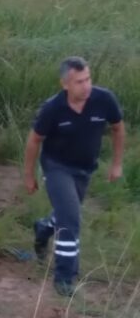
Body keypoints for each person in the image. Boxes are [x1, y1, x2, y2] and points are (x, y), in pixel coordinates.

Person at [23, 56, 125, 296]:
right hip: (57, 167)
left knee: (64, 215)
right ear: (65, 84)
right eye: (79, 81)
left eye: (88, 79)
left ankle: (44, 228)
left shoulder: (104, 99)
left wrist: (117, 164)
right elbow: (34, 140)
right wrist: (29, 175)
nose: (86, 86)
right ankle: (64, 279)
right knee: (71, 220)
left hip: (85, 168)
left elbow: (118, 128)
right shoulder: (53, 108)